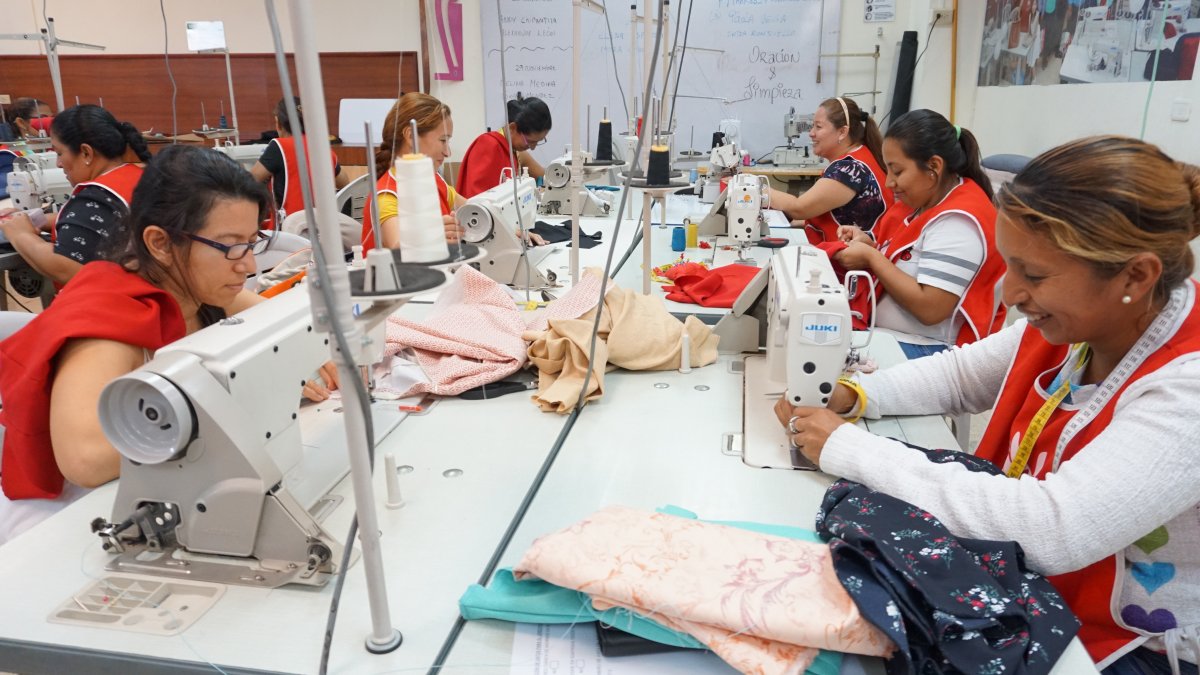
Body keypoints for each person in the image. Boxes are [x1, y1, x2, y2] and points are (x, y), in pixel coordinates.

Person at [777, 136, 1200, 675]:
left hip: (1126, 648)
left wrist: (847, 448)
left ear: (1135, 276)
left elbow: (1051, 529)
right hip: (1038, 593)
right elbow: (959, 375)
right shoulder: (1088, 323)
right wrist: (854, 394)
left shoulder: (1187, 386)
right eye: (1012, 266)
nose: (1009, 294)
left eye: (1034, 275)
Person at [0, 145, 338, 546]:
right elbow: (84, 461)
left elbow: (289, 330)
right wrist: (247, 392)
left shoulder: (204, 285)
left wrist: (309, 358)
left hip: (163, 487)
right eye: (231, 245)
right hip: (66, 517)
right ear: (160, 243)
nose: (248, 266)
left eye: (252, 242)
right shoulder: (109, 320)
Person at [834, 109, 1005, 359]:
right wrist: (869, 243)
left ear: (934, 166)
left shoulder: (958, 222)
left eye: (898, 171)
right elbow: (901, 253)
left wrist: (872, 259)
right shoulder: (922, 202)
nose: (890, 182)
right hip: (897, 338)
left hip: (935, 352)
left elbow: (931, 309)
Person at [0, 105, 151, 286]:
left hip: (111, 305)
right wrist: (39, 220)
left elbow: (67, 267)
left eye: (59, 153)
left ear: (86, 153)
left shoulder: (97, 196)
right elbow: (106, 223)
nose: (58, 163)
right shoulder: (136, 176)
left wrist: (21, 235)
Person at [769, 97, 894, 244]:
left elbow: (799, 208)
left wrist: (756, 188)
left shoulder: (850, 169)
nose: (811, 133)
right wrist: (797, 224)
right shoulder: (861, 156)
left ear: (842, 132)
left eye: (818, 127)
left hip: (848, 262)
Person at [361, 92, 463, 251]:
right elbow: (397, 244)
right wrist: (432, 234)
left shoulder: (434, 180)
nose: (447, 152)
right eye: (443, 140)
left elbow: (473, 208)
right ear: (411, 136)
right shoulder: (386, 195)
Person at [250, 96, 349, 224]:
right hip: (324, 227)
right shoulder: (322, 147)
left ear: (278, 123)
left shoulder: (279, 146)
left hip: (290, 228)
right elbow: (345, 184)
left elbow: (250, 180)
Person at [456, 93, 551, 199]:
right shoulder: (488, 145)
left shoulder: (513, 150)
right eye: (529, 141)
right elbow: (476, 197)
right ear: (512, 128)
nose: (533, 148)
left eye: (538, 142)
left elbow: (544, 176)